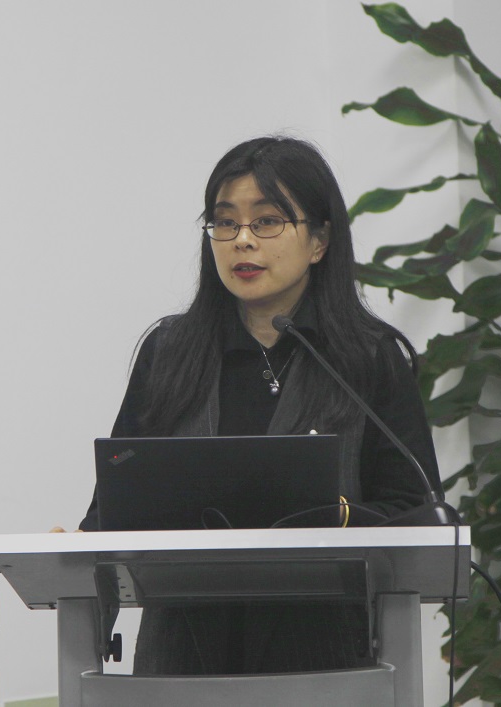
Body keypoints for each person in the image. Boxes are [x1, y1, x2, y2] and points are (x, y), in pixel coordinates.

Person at [78, 135, 444, 675]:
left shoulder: (368, 359)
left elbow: (416, 513)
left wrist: (334, 515)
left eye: (267, 221)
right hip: (181, 662)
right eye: (225, 222)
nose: (242, 240)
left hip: (323, 660)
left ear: (319, 240)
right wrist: (75, 551)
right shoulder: (169, 353)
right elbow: (115, 506)